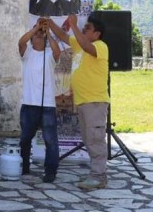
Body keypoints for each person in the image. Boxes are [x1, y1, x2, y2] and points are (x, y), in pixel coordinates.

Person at [47, 15, 109, 191]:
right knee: (90, 139)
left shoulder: (100, 46)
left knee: (95, 139)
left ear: (97, 33)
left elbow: (86, 45)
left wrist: (73, 25)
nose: (83, 29)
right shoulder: (79, 46)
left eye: (87, 27)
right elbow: (64, 36)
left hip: (95, 102)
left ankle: (99, 177)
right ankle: (96, 173)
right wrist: (50, 23)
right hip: (83, 102)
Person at [18, 17, 61, 183]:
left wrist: (48, 32)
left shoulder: (49, 54)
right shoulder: (27, 53)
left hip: (47, 105)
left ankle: (50, 172)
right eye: (36, 34)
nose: (38, 36)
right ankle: (25, 167)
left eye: (40, 34)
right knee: (25, 139)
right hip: (29, 104)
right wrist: (36, 28)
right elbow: (21, 42)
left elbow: (58, 52)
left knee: (51, 140)